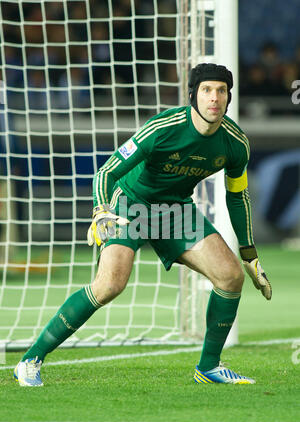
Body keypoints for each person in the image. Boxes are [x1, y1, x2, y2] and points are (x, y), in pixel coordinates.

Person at [14, 63, 272, 387]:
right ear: (193, 94)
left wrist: (249, 254)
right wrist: (101, 211)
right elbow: (105, 173)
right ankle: (30, 360)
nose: (214, 98)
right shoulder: (162, 127)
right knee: (109, 285)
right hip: (130, 203)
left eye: (221, 91)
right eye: (207, 90)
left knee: (231, 277)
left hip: (175, 210)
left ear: (229, 97)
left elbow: (238, 197)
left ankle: (208, 367)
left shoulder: (235, 143)